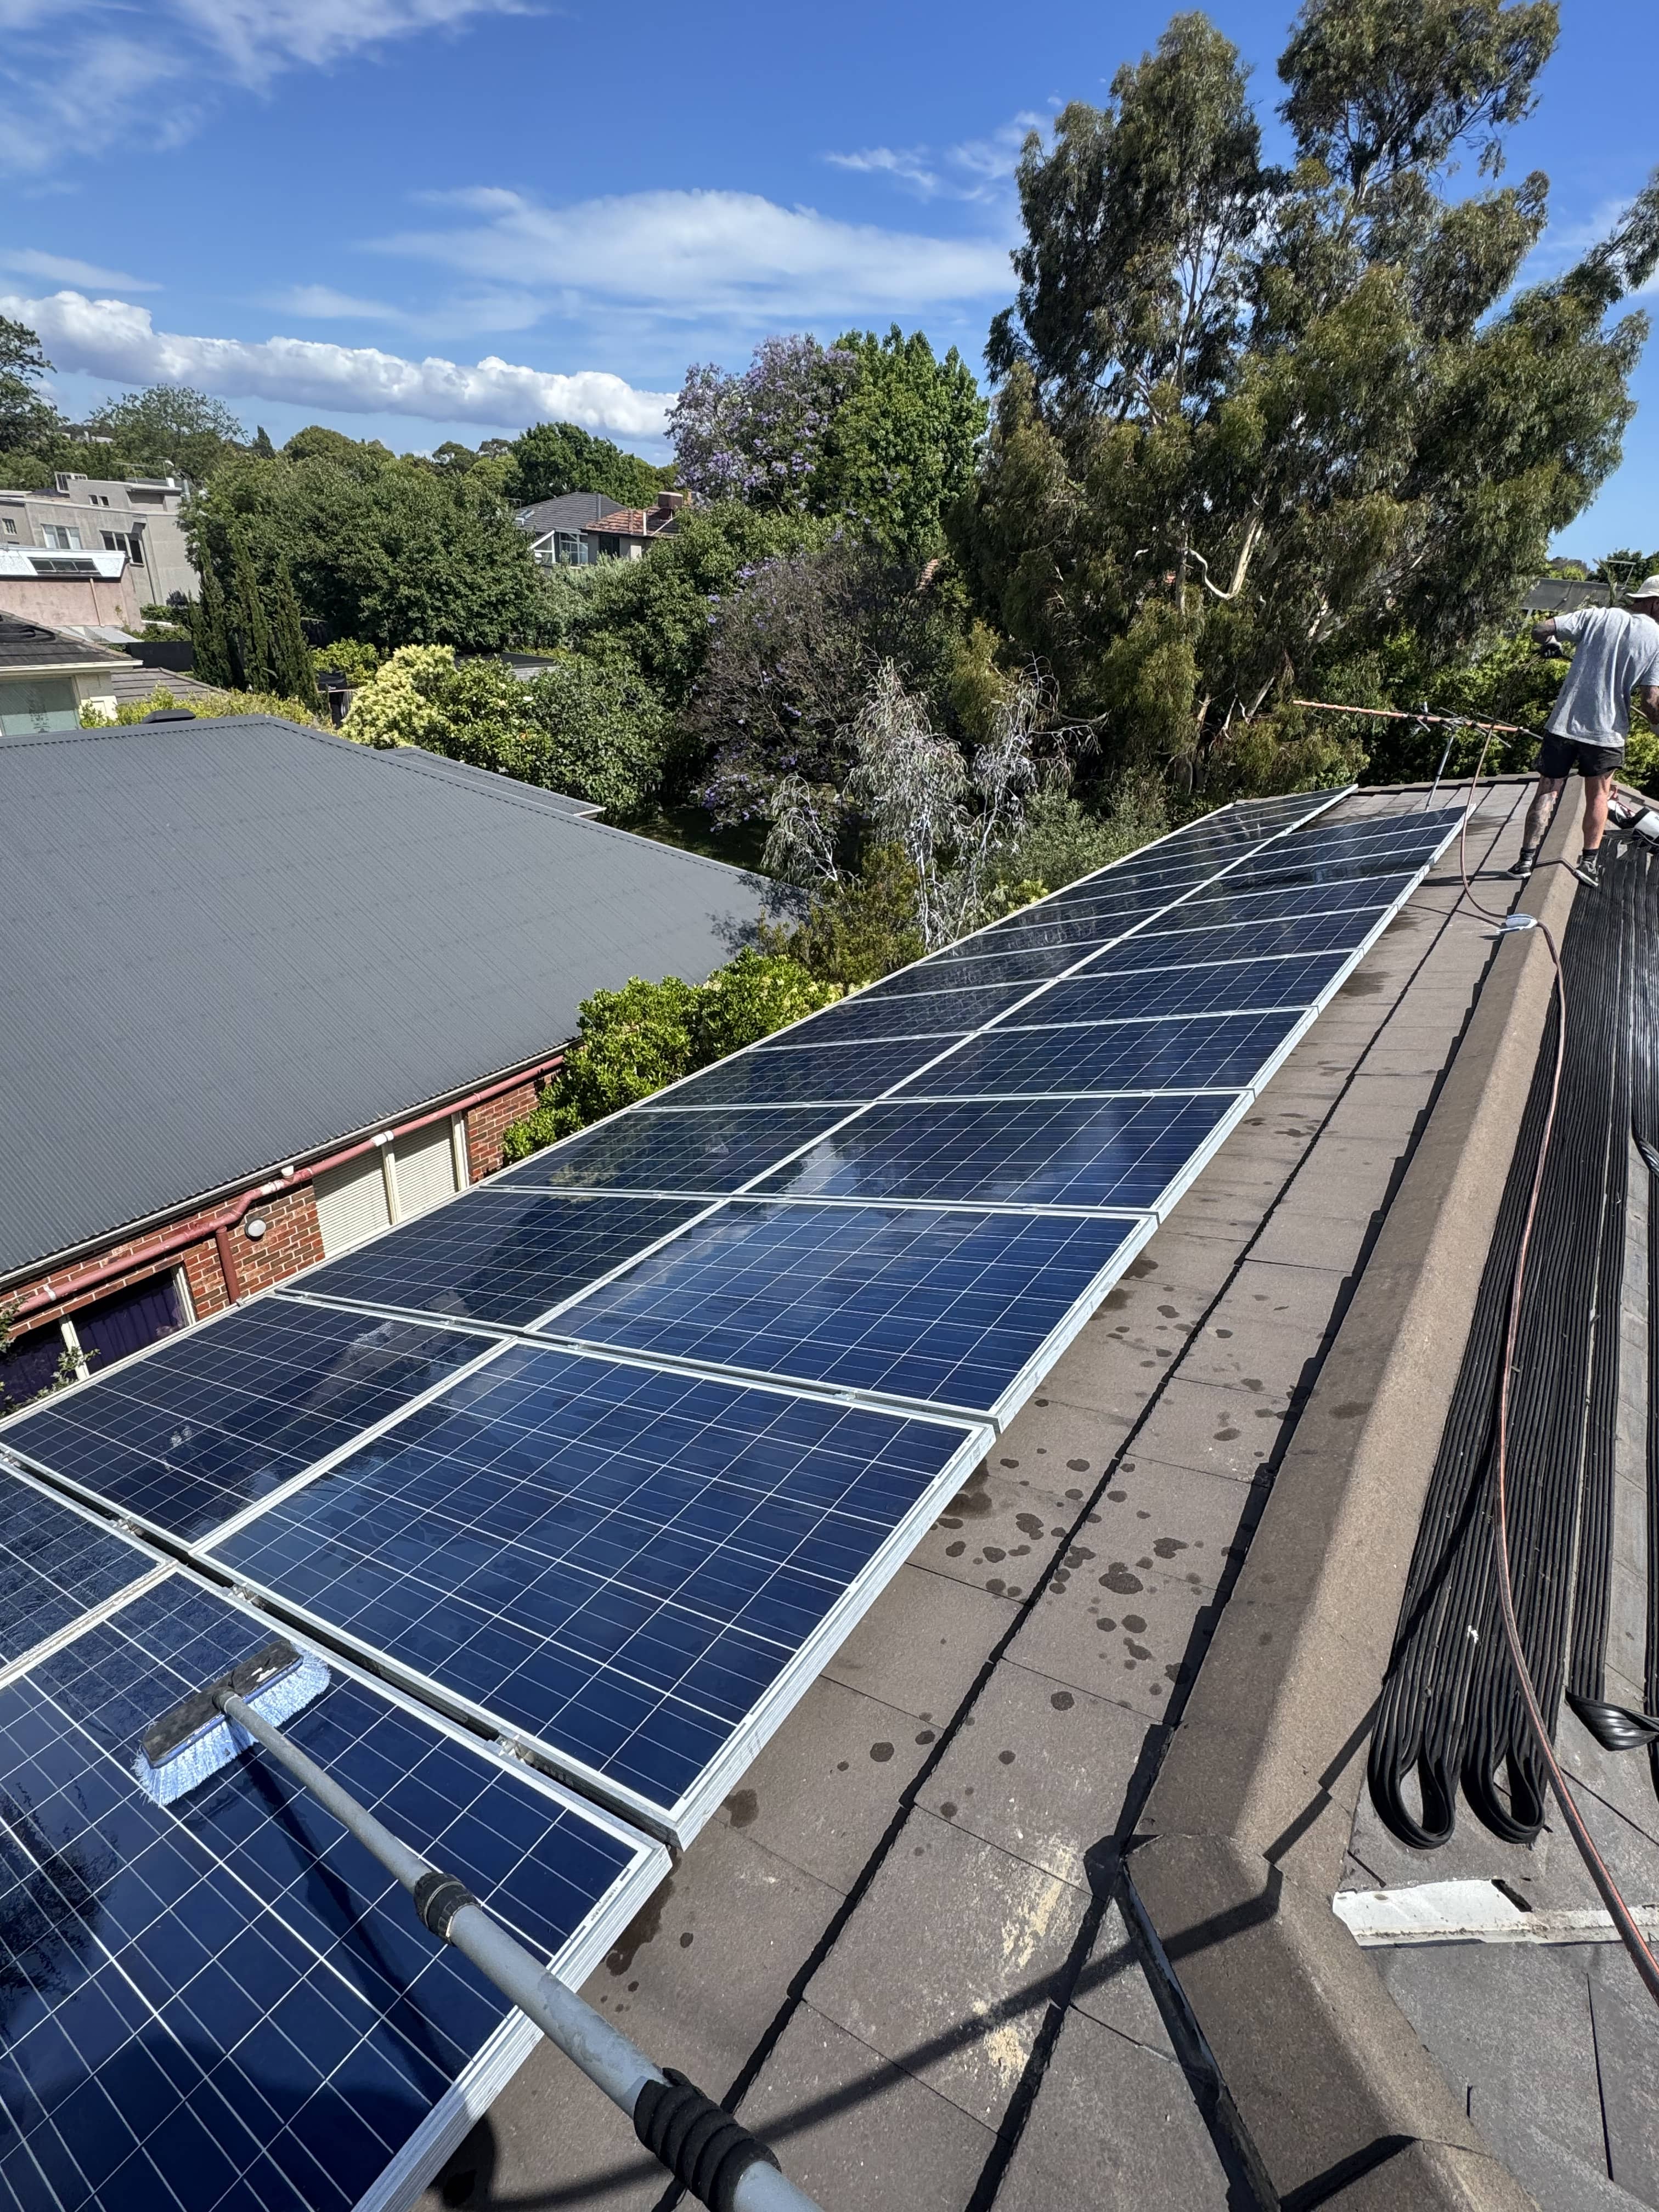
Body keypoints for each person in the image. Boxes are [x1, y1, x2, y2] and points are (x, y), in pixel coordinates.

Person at [1512, 578, 1659, 885]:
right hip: (1607, 732)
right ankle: (1588, 864)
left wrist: (1552, 644)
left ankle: (1526, 860)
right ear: (1656, 603)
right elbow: (1650, 699)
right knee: (1599, 796)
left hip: (1564, 723)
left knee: (1548, 788)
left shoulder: (1598, 615)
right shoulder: (1658, 639)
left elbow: (1540, 629)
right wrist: (1656, 726)